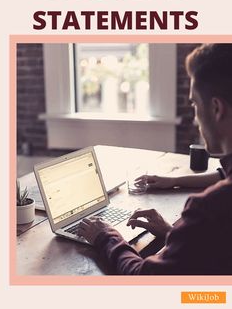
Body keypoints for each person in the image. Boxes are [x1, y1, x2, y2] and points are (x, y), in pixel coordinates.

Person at [78, 44, 232, 274]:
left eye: (194, 104)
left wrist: (106, 236)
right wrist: (176, 235)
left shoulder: (208, 209)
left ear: (216, 108)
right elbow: (216, 252)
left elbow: (142, 279)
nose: (195, 120)